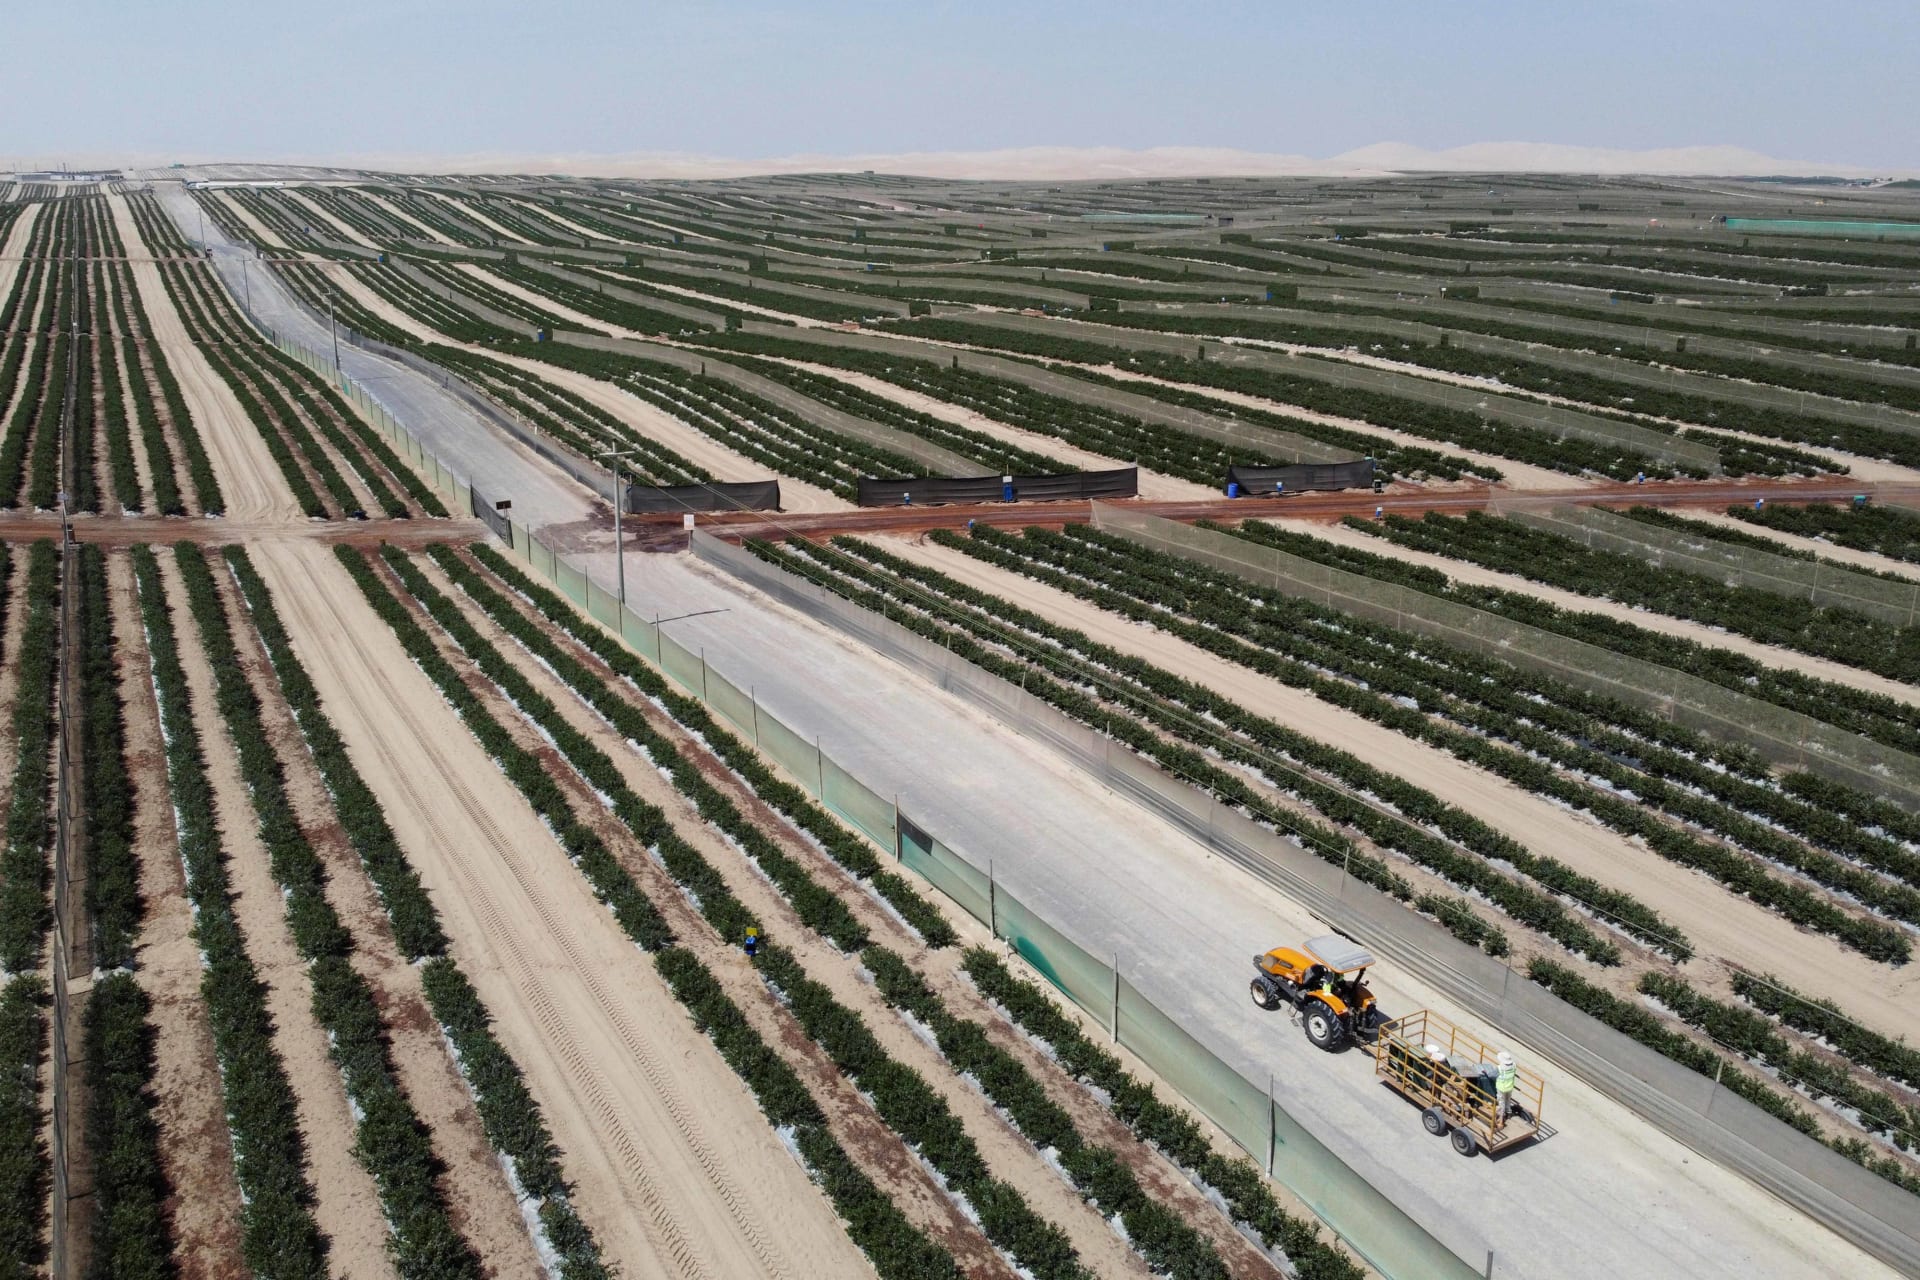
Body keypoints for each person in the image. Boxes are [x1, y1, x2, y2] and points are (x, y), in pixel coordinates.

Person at [1495, 1050, 1517, 1125]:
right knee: (1508, 1100)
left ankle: (1501, 1118)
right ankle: (1509, 1112)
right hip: (1510, 1087)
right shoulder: (1514, 1065)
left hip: (1501, 1088)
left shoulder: (1500, 1068)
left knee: (1502, 1102)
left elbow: (1494, 1074)